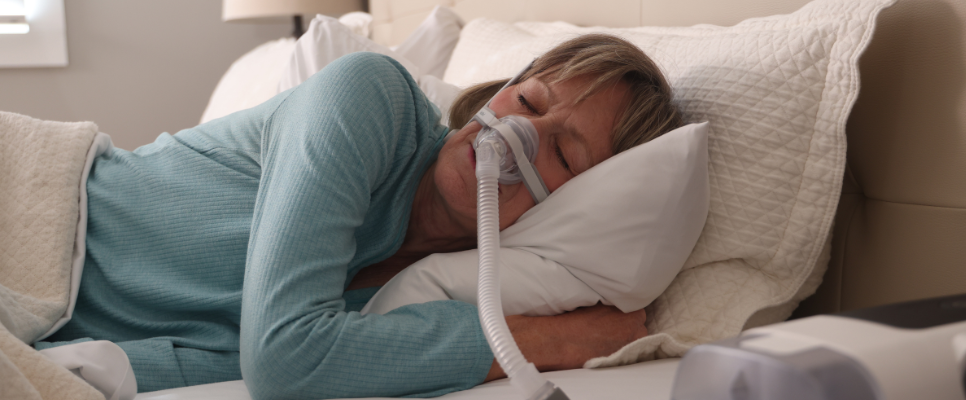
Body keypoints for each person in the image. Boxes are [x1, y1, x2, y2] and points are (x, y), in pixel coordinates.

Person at [35, 34, 683, 399]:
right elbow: (282, 360)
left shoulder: (433, 285)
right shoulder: (370, 99)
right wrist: (549, 343)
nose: (516, 134)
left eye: (564, 153)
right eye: (527, 99)